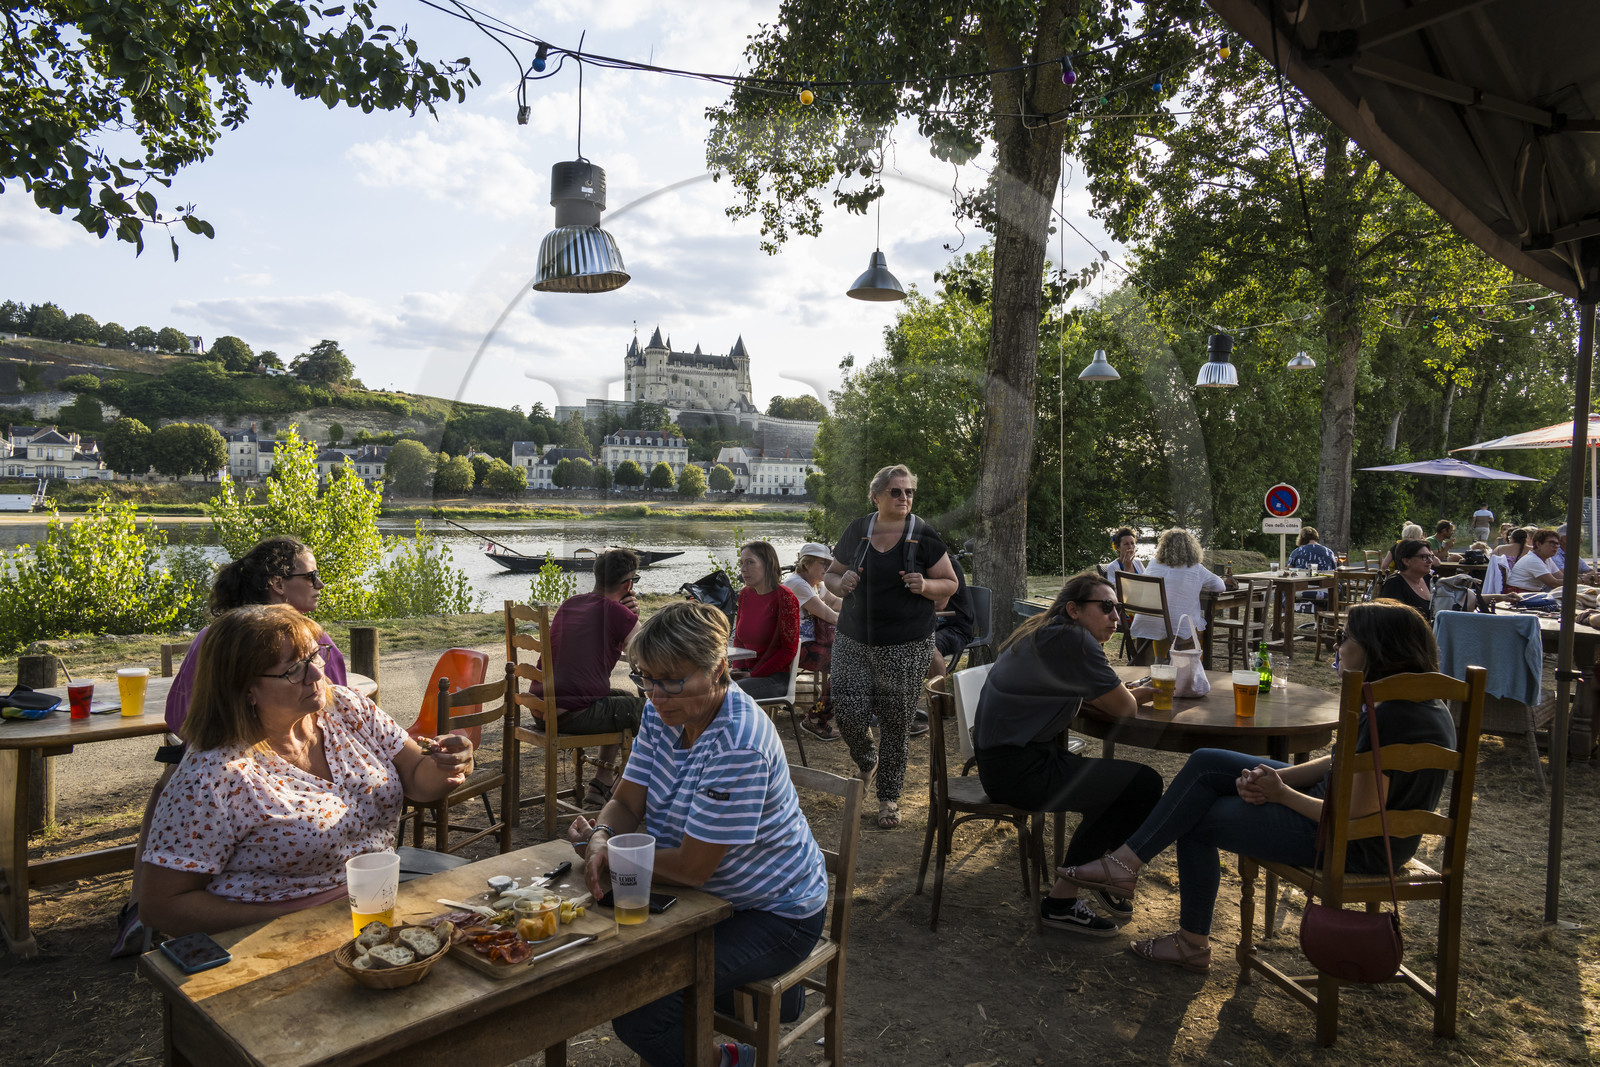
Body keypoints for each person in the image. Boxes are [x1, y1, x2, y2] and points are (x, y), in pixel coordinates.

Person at [1059, 600, 1456, 974]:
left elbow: (1354, 815)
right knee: (1207, 761)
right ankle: (1125, 865)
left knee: (1195, 818)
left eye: (1345, 637)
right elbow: (1340, 765)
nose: (1338, 645)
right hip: (1343, 823)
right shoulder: (1420, 702)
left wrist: (1280, 795)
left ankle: (1189, 941)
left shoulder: (1389, 715)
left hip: (1350, 844)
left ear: (1376, 649)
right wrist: (1277, 777)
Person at [570, 601, 827, 1067]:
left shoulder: (737, 742)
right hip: (709, 899)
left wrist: (613, 856)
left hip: (772, 911)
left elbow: (691, 868)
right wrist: (603, 833)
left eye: (672, 679)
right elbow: (627, 801)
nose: (656, 693)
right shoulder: (660, 711)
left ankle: (734, 1060)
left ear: (718, 669)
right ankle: (747, 996)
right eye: (645, 678)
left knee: (640, 1012)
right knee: (614, 965)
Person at [139, 605, 472, 937]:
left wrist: (447, 765)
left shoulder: (346, 707)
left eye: (315, 656)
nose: (316, 674)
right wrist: (291, 917)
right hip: (276, 939)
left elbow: (417, 777)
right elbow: (162, 906)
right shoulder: (213, 774)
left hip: (378, 907)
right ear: (246, 690)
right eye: (294, 670)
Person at [111, 535, 346, 957]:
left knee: (169, 783)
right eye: (311, 575)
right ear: (278, 583)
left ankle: (137, 907)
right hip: (282, 784)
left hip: (207, 772)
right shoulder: (317, 642)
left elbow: (178, 717)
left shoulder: (212, 636)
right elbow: (334, 713)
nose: (319, 584)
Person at [974, 571, 1163, 936]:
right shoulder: (1073, 640)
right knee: (1143, 785)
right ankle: (1072, 895)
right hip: (1019, 770)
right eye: (1106, 607)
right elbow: (1123, 711)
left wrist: (1143, 690)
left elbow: (1103, 698)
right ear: (1074, 609)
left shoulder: (1049, 631)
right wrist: (1146, 692)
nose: (1115, 617)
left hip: (1011, 760)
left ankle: (1089, 883)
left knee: (1116, 789)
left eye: (1118, 608)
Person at [824, 464, 958, 830]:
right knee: (848, 712)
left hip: (907, 641)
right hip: (853, 637)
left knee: (896, 722)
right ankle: (869, 762)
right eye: (896, 492)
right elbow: (830, 575)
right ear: (877, 495)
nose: (904, 498)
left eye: (909, 492)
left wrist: (925, 586)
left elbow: (950, 583)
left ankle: (888, 798)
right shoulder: (859, 530)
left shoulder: (922, 534)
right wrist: (841, 582)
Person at [535, 547, 644, 807]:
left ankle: (601, 781)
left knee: (624, 699)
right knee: (653, 712)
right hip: (574, 714)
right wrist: (632, 618)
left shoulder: (571, 603)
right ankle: (630, 791)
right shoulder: (619, 614)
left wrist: (626, 617)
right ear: (629, 584)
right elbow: (647, 655)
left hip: (541, 709)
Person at [1128, 528, 1227, 666]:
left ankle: (1159, 661)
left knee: (1164, 623)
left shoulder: (1153, 564)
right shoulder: (1196, 569)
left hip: (1148, 623)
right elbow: (1220, 586)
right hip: (1179, 629)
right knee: (1194, 625)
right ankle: (1190, 667)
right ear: (1191, 548)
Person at [784, 543, 843, 741]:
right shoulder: (797, 583)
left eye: (829, 563)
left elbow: (835, 602)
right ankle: (816, 719)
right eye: (822, 563)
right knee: (848, 666)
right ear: (807, 564)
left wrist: (863, 605)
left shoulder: (815, 583)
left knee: (853, 660)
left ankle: (869, 710)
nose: (827, 568)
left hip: (811, 643)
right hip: (796, 647)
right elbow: (830, 615)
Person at [730, 540, 801, 700]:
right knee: (702, 685)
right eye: (741, 563)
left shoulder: (784, 597)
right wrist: (737, 669)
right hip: (747, 674)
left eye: (750, 563)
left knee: (727, 695)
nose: (743, 569)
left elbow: (789, 650)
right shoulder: (745, 595)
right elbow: (739, 640)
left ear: (767, 565)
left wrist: (753, 674)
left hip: (774, 678)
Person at [917, 553, 977, 735]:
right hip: (934, 624)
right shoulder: (918, 566)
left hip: (957, 628)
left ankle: (942, 707)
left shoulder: (949, 566)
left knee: (929, 646)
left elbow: (940, 604)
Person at [1379, 539, 1437, 619]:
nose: (1430, 561)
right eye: (1424, 557)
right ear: (1406, 561)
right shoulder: (1395, 584)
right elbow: (1391, 619)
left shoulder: (1429, 579)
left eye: (1430, 556)